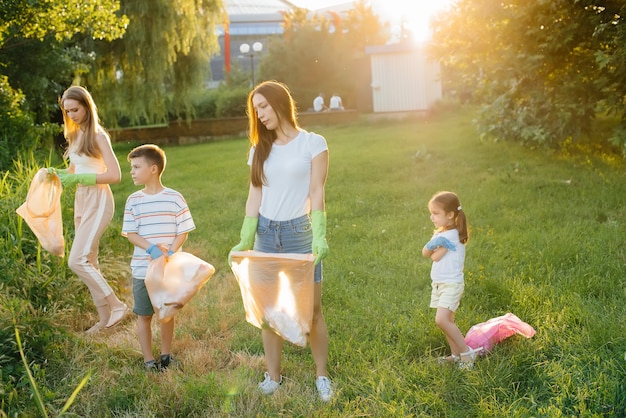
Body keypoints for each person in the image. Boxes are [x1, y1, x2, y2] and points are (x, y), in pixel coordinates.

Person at [230, 81, 333, 401]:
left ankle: (322, 376)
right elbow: (254, 194)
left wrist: (319, 234)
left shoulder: (313, 144)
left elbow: (317, 191)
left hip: (299, 233)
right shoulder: (259, 149)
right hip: (265, 234)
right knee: (269, 311)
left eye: (263, 106)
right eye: (255, 109)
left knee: (312, 310)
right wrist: (246, 236)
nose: (259, 114)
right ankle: (273, 376)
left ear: (280, 103)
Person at [50, 85, 127, 335]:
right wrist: (56, 174)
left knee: (77, 260)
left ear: (87, 106)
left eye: (76, 109)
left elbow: (115, 175)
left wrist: (80, 180)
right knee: (90, 259)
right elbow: (75, 172)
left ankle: (117, 305)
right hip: (82, 200)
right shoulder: (76, 135)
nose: (72, 115)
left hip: (100, 199)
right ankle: (104, 320)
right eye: (67, 111)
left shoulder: (98, 137)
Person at [121, 144, 196, 371]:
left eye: (136, 167)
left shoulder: (174, 198)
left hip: (167, 271)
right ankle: (148, 360)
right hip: (143, 270)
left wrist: (171, 251)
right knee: (144, 315)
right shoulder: (134, 200)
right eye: (131, 167)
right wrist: (151, 248)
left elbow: (183, 229)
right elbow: (131, 234)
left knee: (165, 314)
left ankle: (165, 356)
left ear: (153, 169)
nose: (132, 172)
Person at [422, 191, 482, 369]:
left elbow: (434, 257)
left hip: (451, 284)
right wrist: (432, 244)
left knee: (442, 320)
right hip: (440, 284)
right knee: (447, 321)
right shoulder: (442, 233)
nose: (432, 217)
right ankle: (456, 355)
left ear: (450, 215)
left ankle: (466, 353)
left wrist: (434, 246)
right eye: (431, 213)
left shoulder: (451, 236)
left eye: (436, 213)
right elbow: (428, 254)